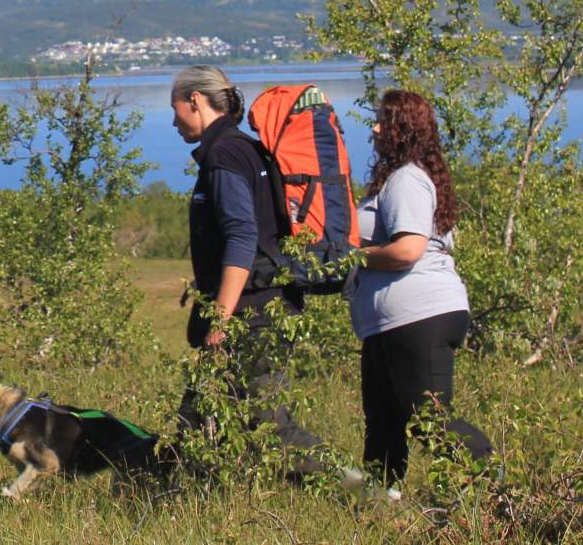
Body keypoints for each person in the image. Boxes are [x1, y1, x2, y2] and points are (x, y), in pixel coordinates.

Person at [171, 64, 335, 477]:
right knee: (196, 421)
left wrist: (220, 319)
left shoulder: (225, 153)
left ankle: (365, 496)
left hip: (255, 312)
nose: (173, 121)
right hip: (258, 306)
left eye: (175, 109)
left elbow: (243, 237)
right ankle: (178, 507)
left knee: (270, 427)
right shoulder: (242, 148)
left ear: (195, 100)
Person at [351, 89, 493, 491]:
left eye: (382, 120)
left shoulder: (407, 179)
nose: (375, 127)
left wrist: (353, 259)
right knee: (384, 420)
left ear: (401, 129)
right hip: (390, 321)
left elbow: (409, 248)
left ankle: (494, 480)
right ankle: (381, 503)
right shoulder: (400, 179)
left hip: (419, 315)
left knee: (429, 422)